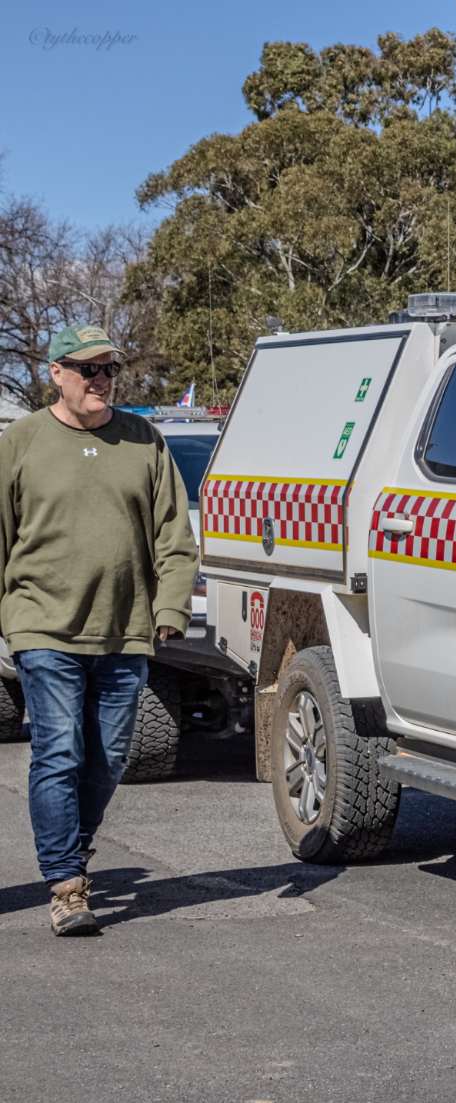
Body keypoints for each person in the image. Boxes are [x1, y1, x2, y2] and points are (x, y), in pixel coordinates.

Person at [0, 324, 197, 935]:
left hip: (123, 628)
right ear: (55, 373)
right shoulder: (22, 440)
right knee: (58, 753)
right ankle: (65, 884)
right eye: (87, 369)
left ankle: (73, 848)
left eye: (109, 368)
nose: (101, 379)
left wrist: (171, 607)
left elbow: (173, 534)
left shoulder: (144, 439)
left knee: (108, 758)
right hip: (43, 624)